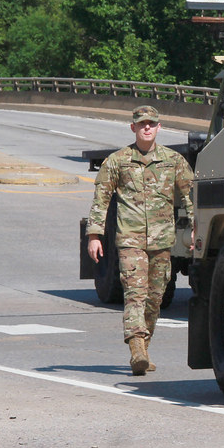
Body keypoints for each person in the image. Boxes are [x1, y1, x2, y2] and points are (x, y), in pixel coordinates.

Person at [86, 105, 194, 376]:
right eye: (141, 123)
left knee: (155, 298)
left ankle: (144, 347)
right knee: (135, 294)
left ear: (159, 128)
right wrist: (94, 235)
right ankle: (136, 349)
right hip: (130, 240)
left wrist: (195, 228)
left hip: (162, 241)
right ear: (133, 128)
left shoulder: (174, 161)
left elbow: (189, 198)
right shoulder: (118, 161)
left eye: (151, 123)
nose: (147, 127)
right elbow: (101, 200)